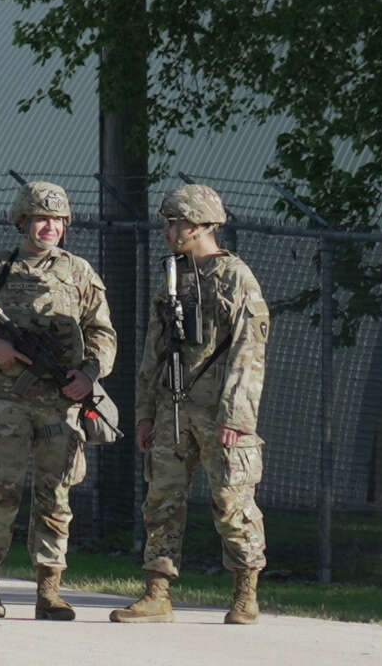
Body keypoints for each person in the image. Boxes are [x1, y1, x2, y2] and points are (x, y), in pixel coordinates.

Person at [0, 181, 117, 620]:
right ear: (22, 221)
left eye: (57, 220)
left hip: (60, 408)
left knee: (56, 498)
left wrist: (88, 374)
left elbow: (103, 334)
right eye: (41, 219)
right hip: (5, 406)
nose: (50, 227)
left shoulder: (79, 273)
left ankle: (50, 592)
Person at [109, 184, 269, 625]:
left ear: (203, 225)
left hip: (220, 413)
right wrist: (145, 414)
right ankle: (157, 591)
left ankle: (245, 591)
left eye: (176, 222)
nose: (168, 230)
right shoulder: (173, 277)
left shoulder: (236, 278)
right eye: (167, 222)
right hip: (173, 411)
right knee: (161, 501)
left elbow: (248, 353)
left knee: (232, 504)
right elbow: (153, 352)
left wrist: (236, 416)